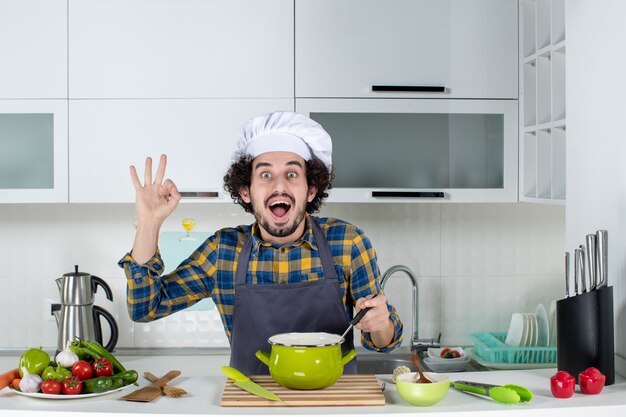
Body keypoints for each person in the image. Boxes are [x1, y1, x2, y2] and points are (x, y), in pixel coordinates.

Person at [119, 111, 403, 374]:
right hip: (251, 402)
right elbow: (145, 307)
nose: (279, 186)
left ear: (311, 189)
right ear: (245, 191)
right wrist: (149, 223)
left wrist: (380, 324)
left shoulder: (347, 243)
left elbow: (384, 342)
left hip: (331, 402)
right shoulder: (223, 251)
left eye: (292, 174)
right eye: (265, 175)